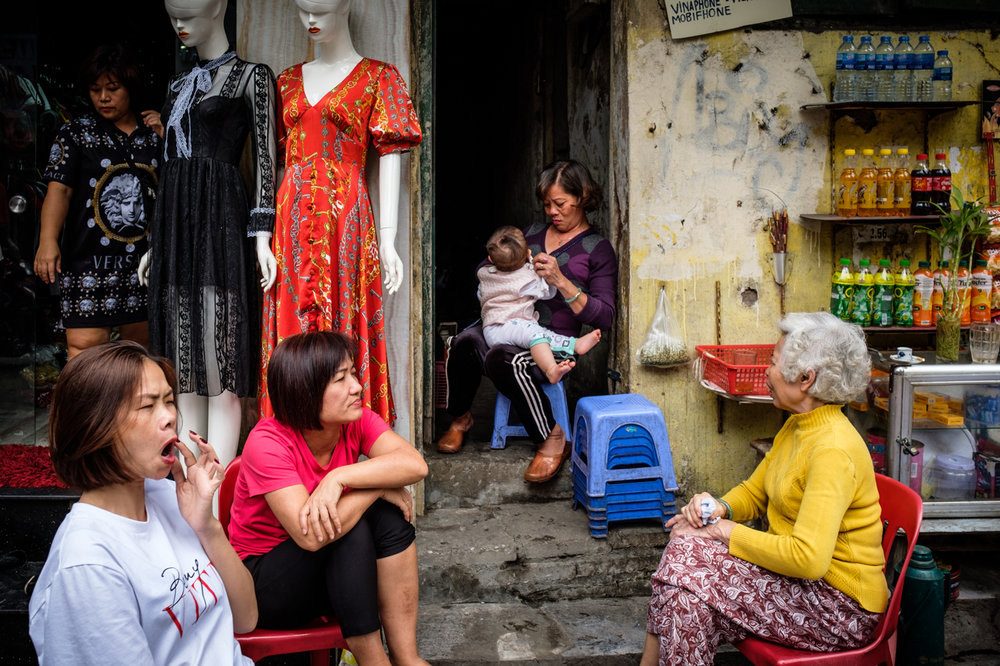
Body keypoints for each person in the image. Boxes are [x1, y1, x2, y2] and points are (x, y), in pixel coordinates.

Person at [640, 312, 888, 665]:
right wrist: (717, 508)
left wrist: (722, 531)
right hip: (797, 586)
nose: (768, 373)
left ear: (805, 378)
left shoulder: (832, 449)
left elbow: (808, 559)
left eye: (773, 363)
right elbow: (756, 493)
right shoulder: (798, 426)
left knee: (684, 553)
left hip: (838, 607)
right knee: (686, 599)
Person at [28, 341, 257, 665]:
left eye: (168, 401)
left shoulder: (170, 496)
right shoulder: (89, 563)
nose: (169, 417)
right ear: (95, 426)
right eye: (148, 406)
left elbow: (246, 618)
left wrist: (207, 525)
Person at [259, 0, 423, 425]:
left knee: (343, 325)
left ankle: (343, 449)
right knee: (292, 329)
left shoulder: (379, 77)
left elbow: (392, 155)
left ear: (345, 7)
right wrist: (263, 233)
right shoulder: (286, 81)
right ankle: (291, 442)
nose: (311, 21)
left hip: (344, 216)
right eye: (303, 11)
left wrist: (388, 238)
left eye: (322, 10)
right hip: (290, 220)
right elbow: (272, 163)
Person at [228, 331, 430, 666]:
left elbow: (414, 464)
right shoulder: (267, 442)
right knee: (351, 525)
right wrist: (376, 487)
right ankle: (373, 660)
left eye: (353, 373)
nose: (356, 387)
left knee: (385, 518)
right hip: (263, 588)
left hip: (327, 577)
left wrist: (340, 477)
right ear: (304, 390)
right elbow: (310, 535)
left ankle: (407, 658)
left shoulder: (355, 421)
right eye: (341, 379)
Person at [138, 0, 278, 468]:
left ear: (218, 9)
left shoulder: (251, 77)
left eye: (189, 14)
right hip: (176, 226)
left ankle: (216, 507)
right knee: (185, 372)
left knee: (221, 371)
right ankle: (187, 501)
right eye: (173, 16)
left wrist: (261, 233)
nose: (180, 26)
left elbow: (264, 161)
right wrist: (156, 243)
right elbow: (166, 167)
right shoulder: (178, 84)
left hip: (221, 218)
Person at [437, 159, 617, 484]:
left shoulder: (597, 249)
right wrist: (511, 265)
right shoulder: (531, 234)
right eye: (547, 204)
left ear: (583, 197)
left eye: (560, 203)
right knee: (463, 342)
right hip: (505, 324)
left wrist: (561, 281)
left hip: (548, 341)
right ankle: (461, 417)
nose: (552, 211)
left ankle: (551, 436)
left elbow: (604, 315)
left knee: (503, 358)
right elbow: (490, 261)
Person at [33, 44, 160, 359]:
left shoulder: (153, 134)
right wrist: (47, 241)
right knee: (84, 350)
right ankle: (83, 411)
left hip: (143, 265)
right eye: (95, 90)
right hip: (87, 263)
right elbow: (58, 190)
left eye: (112, 89)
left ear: (130, 88)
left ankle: (133, 409)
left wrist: (167, 132)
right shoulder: (76, 134)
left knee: (139, 352)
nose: (103, 97)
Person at [479, 225, 602, 384]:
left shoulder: (485, 274)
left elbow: (480, 294)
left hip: (492, 328)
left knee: (541, 333)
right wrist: (539, 271)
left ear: (490, 259)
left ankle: (574, 344)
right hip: (507, 326)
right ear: (528, 253)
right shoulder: (527, 278)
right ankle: (551, 370)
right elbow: (548, 293)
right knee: (536, 336)